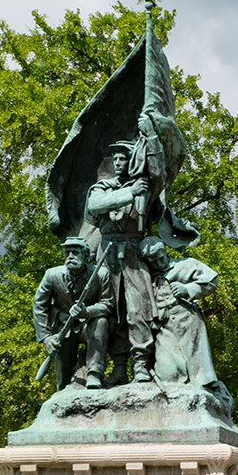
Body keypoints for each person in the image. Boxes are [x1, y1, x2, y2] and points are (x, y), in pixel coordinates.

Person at [81, 138, 159, 384]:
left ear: (132, 160)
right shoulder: (101, 188)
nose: (117, 162)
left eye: (123, 158)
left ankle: (141, 365)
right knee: (108, 311)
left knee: (138, 310)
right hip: (108, 252)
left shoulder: (145, 186)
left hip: (135, 251)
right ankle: (115, 369)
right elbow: (95, 206)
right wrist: (130, 193)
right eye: (114, 158)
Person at [144, 238, 225, 394]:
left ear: (165, 252)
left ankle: (205, 388)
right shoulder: (147, 278)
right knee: (167, 373)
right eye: (154, 262)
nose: (159, 264)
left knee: (198, 368)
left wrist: (188, 289)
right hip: (164, 328)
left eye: (161, 258)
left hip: (188, 321)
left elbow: (212, 281)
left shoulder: (185, 265)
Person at [31, 236, 111, 389]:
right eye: (67, 253)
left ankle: (94, 374)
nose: (70, 256)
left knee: (101, 322)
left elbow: (107, 304)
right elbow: (39, 306)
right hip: (62, 327)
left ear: (86, 256)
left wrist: (86, 312)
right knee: (63, 376)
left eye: (75, 252)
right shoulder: (52, 275)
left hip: (87, 324)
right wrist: (46, 338)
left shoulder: (101, 274)